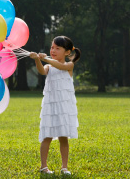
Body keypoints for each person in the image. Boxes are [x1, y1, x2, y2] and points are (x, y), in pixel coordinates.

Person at [30, 36, 81, 175]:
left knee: (63, 137)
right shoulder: (48, 67)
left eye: (57, 48)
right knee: (47, 136)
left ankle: (64, 167)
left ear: (67, 52)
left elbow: (61, 66)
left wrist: (44, 58)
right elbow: (41, 71)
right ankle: (43, 166)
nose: (53, 50)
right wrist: (37, 59)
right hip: (51, 107)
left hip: (64, 107)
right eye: (52, 47)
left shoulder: (69, 65)